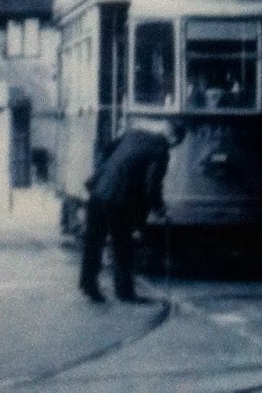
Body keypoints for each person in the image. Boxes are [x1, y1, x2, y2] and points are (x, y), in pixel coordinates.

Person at [79, 116, 186, 303]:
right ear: (174, 138)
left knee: (93, 242)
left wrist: (102, 176)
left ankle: (88, 285)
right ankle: (125, 293)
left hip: (98, 193)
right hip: (120, 201)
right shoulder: (160, 151)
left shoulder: (132, 134)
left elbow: (106, 151)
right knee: (122, 246)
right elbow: (152, 184)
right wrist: (160, 209)